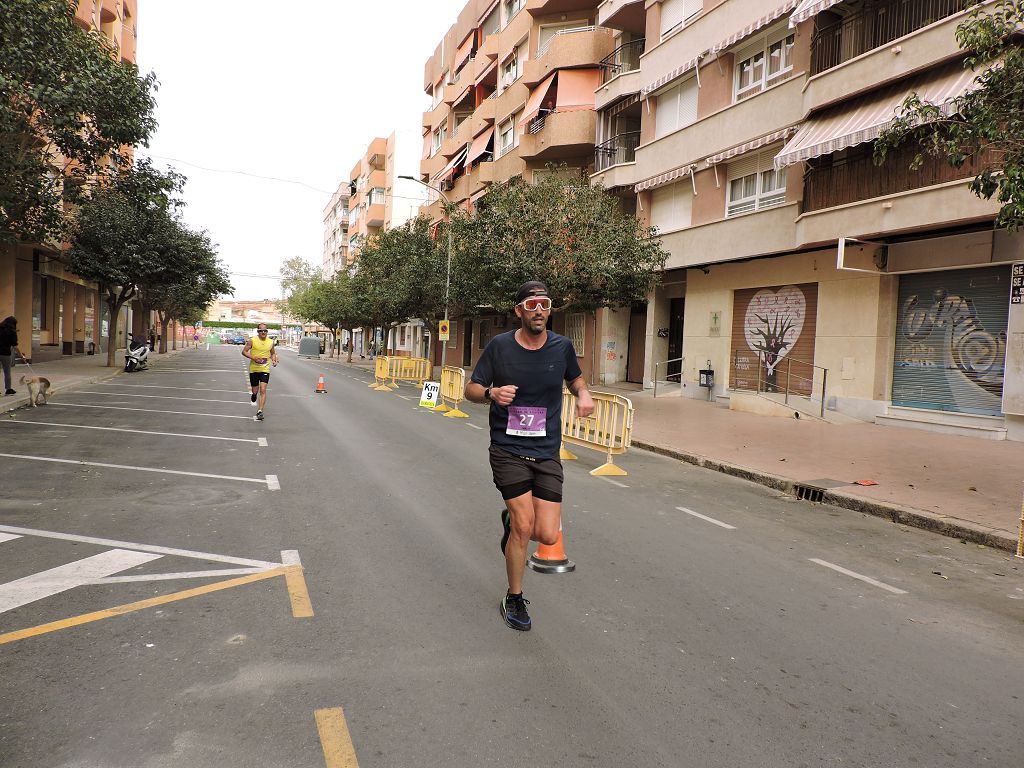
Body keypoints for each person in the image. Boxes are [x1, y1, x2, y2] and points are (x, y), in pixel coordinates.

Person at [465, 281, 595, 632]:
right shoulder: (500, 347)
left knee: (548, 535)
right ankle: (515, 596)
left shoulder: (561, 347)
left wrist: (584, 395)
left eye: (545, 304)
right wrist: (491, 393)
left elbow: (576, 380)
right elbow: (471, 390)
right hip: (508, 449)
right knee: (525, 526)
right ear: (519, 310)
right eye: (532, 304)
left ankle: (510, 526)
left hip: (547, 450)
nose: (539, 310)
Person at [242, 323, 278, 421]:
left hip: (265, 369)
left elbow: (273, 353)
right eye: (261, 331)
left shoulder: (270, 342)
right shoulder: (252, 341)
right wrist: (253, 357)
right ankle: (254, 395)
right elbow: (244, 352)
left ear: (267, 332)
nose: (263, 332)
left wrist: (274, 360)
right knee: (255, 390)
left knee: (263, 389)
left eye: (265, 331)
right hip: (254, 369)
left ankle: (260, 411)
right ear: (257, 331)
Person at [0, 316, 21, 395]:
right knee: (7, 371)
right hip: (5, 353)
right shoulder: (12, 332)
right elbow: (15, 346)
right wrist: (21, 355)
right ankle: (8, 389)